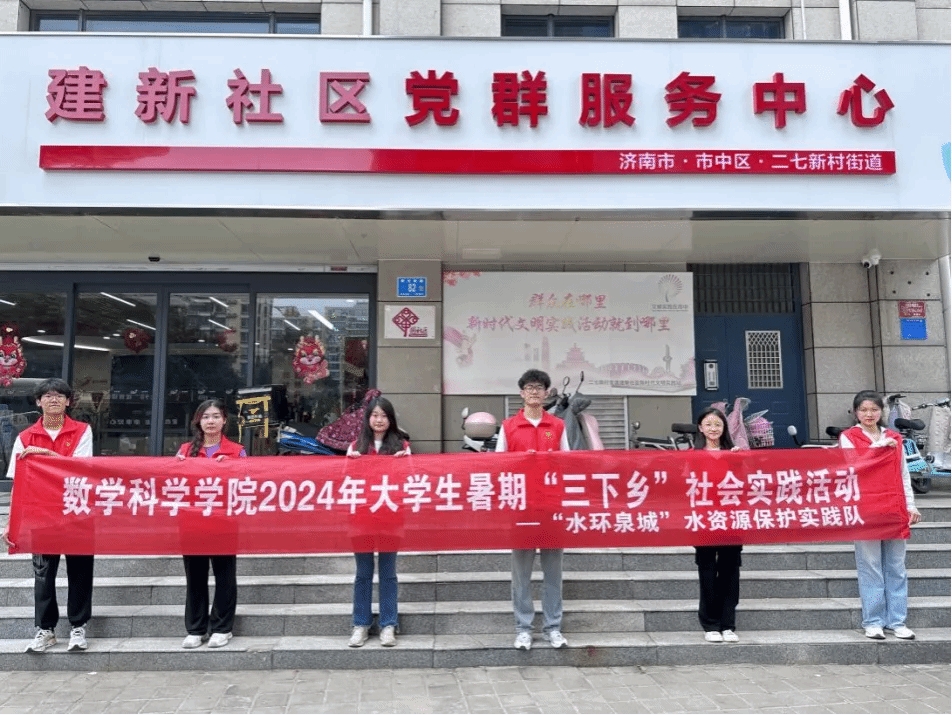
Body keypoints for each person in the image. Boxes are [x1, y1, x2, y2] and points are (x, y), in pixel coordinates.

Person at [2, 378, 94, 653]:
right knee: (43, 575)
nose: (54, 400)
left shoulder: (82, 430)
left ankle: (78, 626)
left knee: (80, 572)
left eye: (60, 396)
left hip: (76, 511)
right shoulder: (25, 437)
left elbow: (80, 469)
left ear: (68, 401)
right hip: (41, 515)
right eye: (48, 396)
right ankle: (45, 629)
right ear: (38, 402)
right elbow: (18, 484)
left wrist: (44, 454)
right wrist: (11, 523)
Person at [496, 369, 571, 651]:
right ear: (521, 393)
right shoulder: (509, 427)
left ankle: (553, 627)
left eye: (539, 387)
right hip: (522, 508)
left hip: (550, 507)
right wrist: (520, 462)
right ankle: (523, 628)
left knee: (553, 573)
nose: (534, 392)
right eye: (529, 387)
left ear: (547, 393)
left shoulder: (558, 426)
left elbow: (568, 464)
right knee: (521, 574)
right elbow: (498, 466)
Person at [838, 390, 920, 640]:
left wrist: (911, 505)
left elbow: (903, 474)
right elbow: (853, 466)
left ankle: (897, 621)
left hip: (894, 507)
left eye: (874, 409)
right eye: (863, 410)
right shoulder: (848, 437)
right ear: (855, 412)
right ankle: (873, 621)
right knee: (870, 566)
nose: (869, 414)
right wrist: (877, 447)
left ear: (881, 412)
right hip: (866, 509)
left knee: (896, 566)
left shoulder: (894, 437)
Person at [175, 399, 245, 649]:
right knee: (195, 576)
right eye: (206, 417)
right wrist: (178, 468)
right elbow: (174, 485)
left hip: (224, 521)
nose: (211, 421)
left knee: (225, 576)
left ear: (224, 421)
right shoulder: (185, 451)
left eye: (216, 416)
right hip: (192, 522)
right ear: (198, 421)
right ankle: (196, 628)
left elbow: (246, 483)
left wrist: (231, 469)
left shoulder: (237, 451)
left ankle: (222, 628)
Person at [345, 396, 410, 648]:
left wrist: (404, 465)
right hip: (361, 518)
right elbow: (346, 482)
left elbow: (411, 481)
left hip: (390, 517)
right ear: (368, 418)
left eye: (384, 415)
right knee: (363, 573)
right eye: (375, 415)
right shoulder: (356, 446)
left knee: (388, 573)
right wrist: (351, 465)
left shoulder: (401, 446)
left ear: (390, 419)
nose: (379, 420)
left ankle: (388, 624)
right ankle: (360, 624)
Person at [692, 407, 743, 644]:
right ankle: (710, 624)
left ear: (724, 428)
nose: (713, 429)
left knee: (730, 571)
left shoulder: (735, 453)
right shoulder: (691, 455)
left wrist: (739, 462)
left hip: (731, 520)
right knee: (707, 571)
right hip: (704, 521)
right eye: (709, 424)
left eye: (718, 424)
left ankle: (728, 624)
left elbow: (748, 484)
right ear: (700, 428)